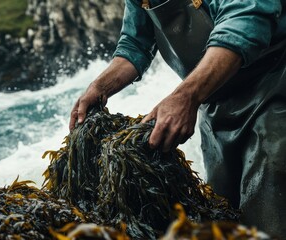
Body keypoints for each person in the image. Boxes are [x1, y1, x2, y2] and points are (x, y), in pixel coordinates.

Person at [69, 0, 286, 238]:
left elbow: (244, 22)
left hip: (274, 91)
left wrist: (186, 96)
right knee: (229, 221)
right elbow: (135, 43)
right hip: (214, 107)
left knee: (271, 219)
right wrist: (99, 87)